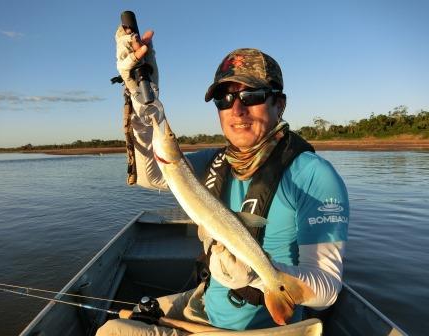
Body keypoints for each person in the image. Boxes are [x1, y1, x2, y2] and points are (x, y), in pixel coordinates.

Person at [97, 23, 349, 336]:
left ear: (280, 104)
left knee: (112, 332)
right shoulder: (214, 161)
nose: (237, 109)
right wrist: (138, 93)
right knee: (129, 316)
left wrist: (256, 275)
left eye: (252, 95)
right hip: (207, 302)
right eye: (224, 99)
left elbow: (326, 292)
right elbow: (152, 176)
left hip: (255, 328)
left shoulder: (314, 175)